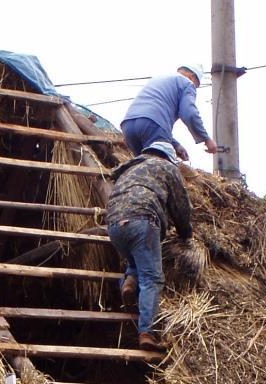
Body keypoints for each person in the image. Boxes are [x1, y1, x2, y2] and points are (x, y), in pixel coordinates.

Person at [105, 141, 193, 352]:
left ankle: (129, 282)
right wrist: (185, 232)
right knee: (152, 278)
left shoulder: (130, 168)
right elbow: (181, 206)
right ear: (168, 157)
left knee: (137, 258)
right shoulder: (166, 167)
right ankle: (147, 332)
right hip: (143, 221)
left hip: (115, 226)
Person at [121, 64, 218, 162]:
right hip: (152, 125)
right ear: (192, 77)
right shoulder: (187, 83)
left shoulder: (159, 79)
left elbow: (150, 120)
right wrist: (206, 139)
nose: (194, 88)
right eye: (196, 85)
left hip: (128, 126)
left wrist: (175, 145)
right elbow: (189, 114)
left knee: (141, 168)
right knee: (159, 169)